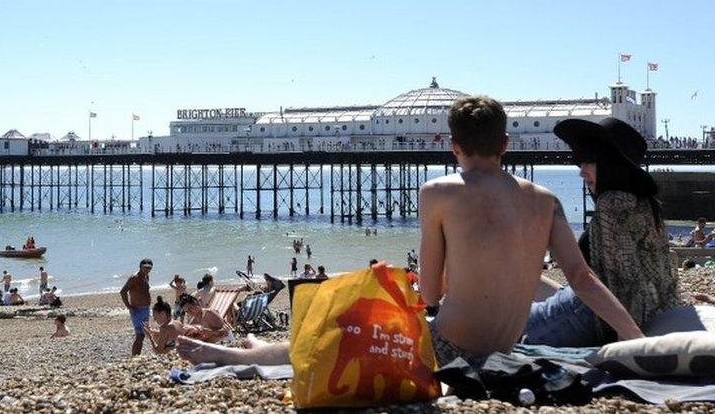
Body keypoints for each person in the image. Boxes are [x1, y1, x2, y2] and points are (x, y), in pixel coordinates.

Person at [178, 95, 643, 368]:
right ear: (506, 144)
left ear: (453, 146)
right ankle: (261, 348)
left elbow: (434, 292)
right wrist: (637, 338)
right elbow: (583, 281)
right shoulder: (547, 201)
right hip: (508, 344)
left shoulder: (438, 192)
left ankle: (241, 357)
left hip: (446, 344)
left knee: (348, 328)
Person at [524, 116, 684, 347]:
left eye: (587, 161)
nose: (581, 172)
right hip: (583, 303)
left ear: (608, 162)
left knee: (495, 318)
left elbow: (625, 283)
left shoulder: (612, 204)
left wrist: (632, 344)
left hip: (584, 314)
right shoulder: (644, 203)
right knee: (524, 278)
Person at [119, 258, 153, 356]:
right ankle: (134, 356)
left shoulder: (146, 277)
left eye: (149, 268)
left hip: (146, 309)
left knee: (143, 335)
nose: (147, 270)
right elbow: (123, 291)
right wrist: (129, 306)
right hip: (137, 310)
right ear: (140, 267)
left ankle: (137, 355)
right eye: (145, 268)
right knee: (139, 335)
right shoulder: (134, 278)